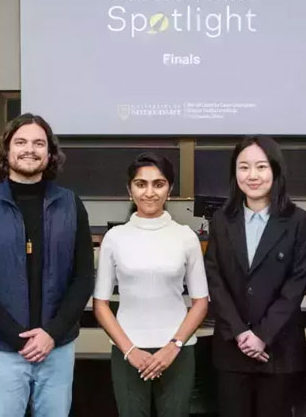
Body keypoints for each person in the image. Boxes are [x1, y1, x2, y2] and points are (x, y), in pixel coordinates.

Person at [0, 113, 94, 417]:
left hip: (56, 350)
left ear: (50, 153)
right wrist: (19, 339)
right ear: (6, 149)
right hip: (0, 351)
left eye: (38, 143)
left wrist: (51, 334)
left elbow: (83, 278)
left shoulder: (71, 205)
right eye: (21, 142)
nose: (29, 149)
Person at [93, 152, 209, 417]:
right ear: (129, 189)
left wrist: (173, 347)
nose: (149, 192)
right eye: (140, 183)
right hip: (128, 353)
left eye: (158, 184)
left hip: (178, 353)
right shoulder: (115, 238)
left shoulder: (185, 237)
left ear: (169, 189)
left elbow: (201, 303)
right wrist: (130, 350)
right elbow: (100, 305)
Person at [203, 136, 306, 417]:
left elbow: (296, 284)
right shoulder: (220, 220)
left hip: (278, 351)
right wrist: (241, 333)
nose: (252, 175)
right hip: (231, 350)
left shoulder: (297, 220)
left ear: (275, 171)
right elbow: (215, 279)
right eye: (244, 167)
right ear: (234, 172)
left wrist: (262, 335)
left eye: (261, 167)